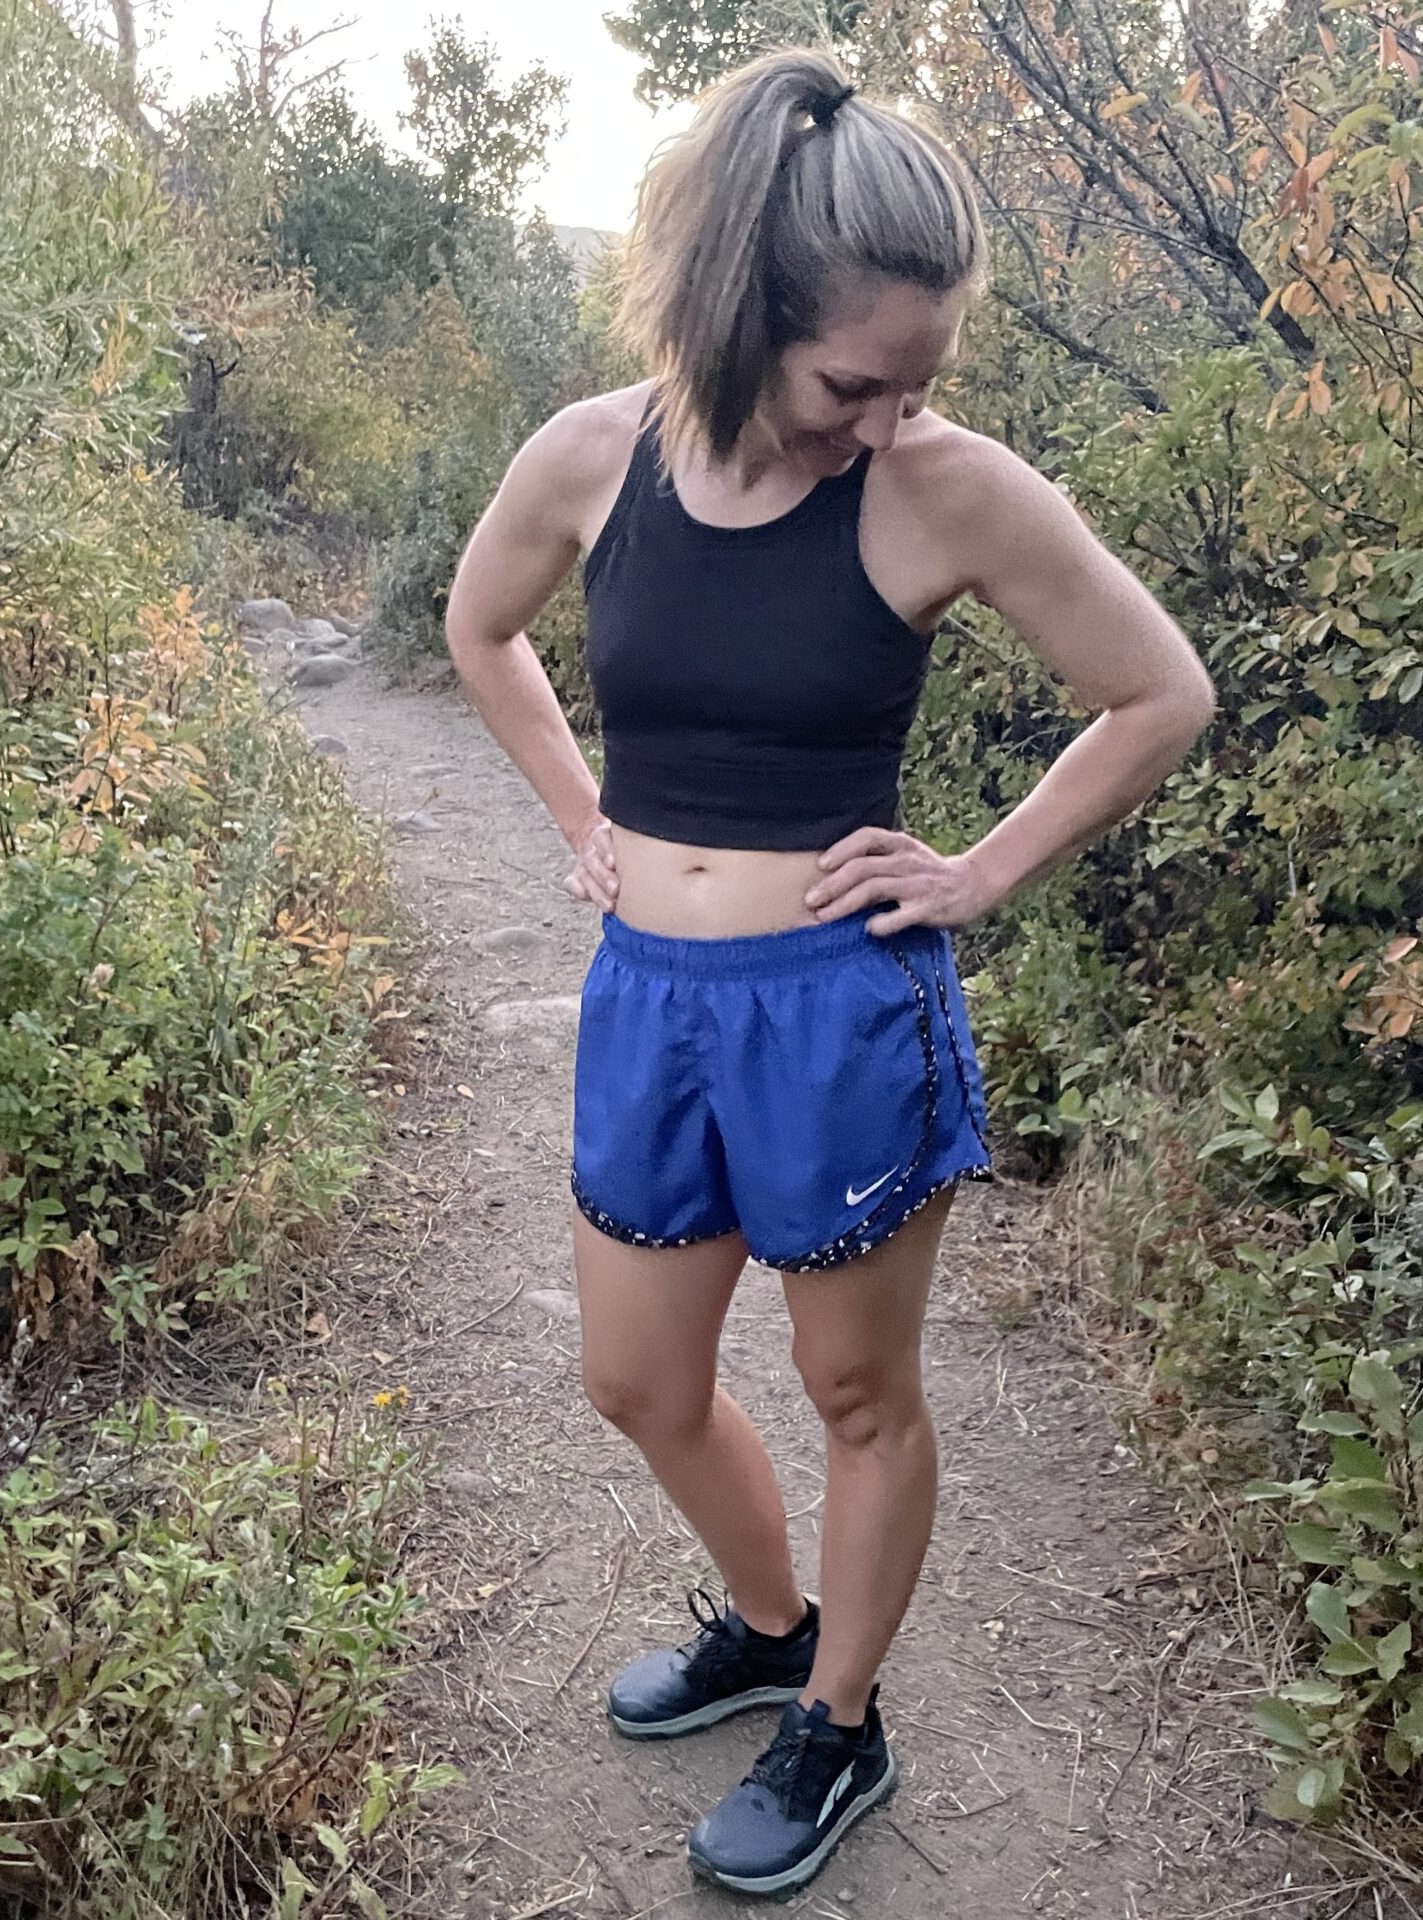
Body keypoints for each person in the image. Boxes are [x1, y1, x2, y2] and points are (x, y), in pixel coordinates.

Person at [442, 46, 1215, 1899]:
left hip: (841, 1013)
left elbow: (1160, 693)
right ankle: (772, 1623)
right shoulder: (588, 456)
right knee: (635, 1379)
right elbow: (482, 630)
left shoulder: (940, 491)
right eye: (854, 379)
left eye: (916, 382)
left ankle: (841, 1724)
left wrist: (976, 872)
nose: (884, 420)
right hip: (649, 998)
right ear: (735, 310)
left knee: (859, 1393)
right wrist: (585, 824)